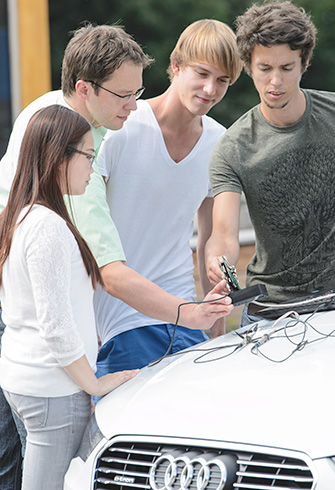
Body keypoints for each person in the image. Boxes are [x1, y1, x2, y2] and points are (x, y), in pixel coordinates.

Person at [0, 23, 232, 487]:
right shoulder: (65, 139)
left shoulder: (92, 128)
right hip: (45, 351)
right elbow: (105, 273)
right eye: (123, 95)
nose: (134, 105)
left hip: (61, 342)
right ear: (85, 89)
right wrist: (94, 381)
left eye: (137, 92)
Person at [205, 1, 335, 322]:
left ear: (303, 63)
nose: (275, 82)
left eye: (286, 68)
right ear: (249, 66)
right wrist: (217, 260)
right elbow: (224, 234)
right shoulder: (232, 147)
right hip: (270, 311)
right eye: (265, 68)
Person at [0, 105, 139, 490]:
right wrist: (94, 384)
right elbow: (55, 327)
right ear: (59, 156)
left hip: (26, 377)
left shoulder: (20, 215)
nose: (92, 169)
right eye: (88, 157)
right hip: (52, 387)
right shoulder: (47, 227)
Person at [94, 19, 242, 376]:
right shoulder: (121, 128)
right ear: (176, 67)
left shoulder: (220, 143)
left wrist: (215, 306)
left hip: (184, 312)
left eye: (223, 80)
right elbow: (85, 229)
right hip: (120, 316)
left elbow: (211, 236)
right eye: (202, 73)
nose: (210, 89)